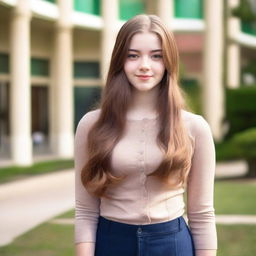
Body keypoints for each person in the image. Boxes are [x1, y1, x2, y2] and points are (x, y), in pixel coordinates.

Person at [74, 14, 217, 256]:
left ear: (168, 61)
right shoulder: (91, 125)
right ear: (120, 61)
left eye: (156, 56)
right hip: (111, 243)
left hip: (173, 244)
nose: (144, 65)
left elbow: (202, 214)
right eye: (133, 55)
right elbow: (85, 211)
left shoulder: (195, 127)